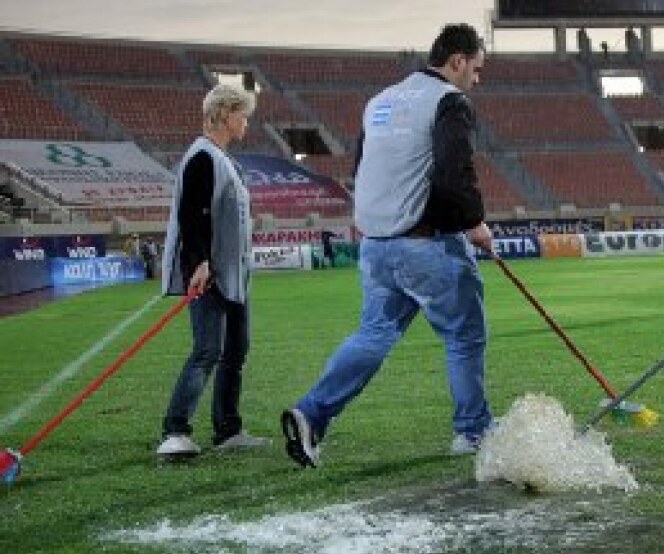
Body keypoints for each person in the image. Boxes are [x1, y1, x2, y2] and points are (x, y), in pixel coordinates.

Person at [281, 23, 494, 468]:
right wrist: (474, 222)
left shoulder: (379, 101)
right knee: (464, 336)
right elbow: (455, 171)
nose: (477, 77)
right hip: (426, 245)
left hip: (376, 246)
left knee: (374, 334)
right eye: (476, 67)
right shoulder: (449, 102)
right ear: (457, 61)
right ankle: (473, 432)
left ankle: (312, 412)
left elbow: (364, 168)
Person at [157, 84, 270, 458]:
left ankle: (228, 428)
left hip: (234, 275)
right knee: (207, 350)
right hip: (212, 274)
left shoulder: (224, 160)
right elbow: (192, 214)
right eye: (242, 115)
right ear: (224, 114)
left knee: (236, 351)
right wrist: (199, 262)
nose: (246, 123)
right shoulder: (203, 157)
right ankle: (175, 431)